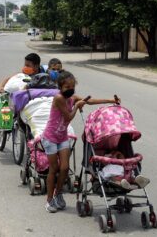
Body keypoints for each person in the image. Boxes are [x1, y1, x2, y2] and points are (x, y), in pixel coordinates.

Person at [41, 71, 121, 213]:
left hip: (62, 137)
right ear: (60, 87)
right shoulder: (59, 98)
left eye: (72, 87)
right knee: (54, 169)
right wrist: (77, 106)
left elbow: (89, 100)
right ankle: (49, 200)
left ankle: (58, 194)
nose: (70, 89)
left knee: (65, 168)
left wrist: (111, 101)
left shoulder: (72, 97)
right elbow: (67, 118)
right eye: (67, 87)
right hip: (50, 138)